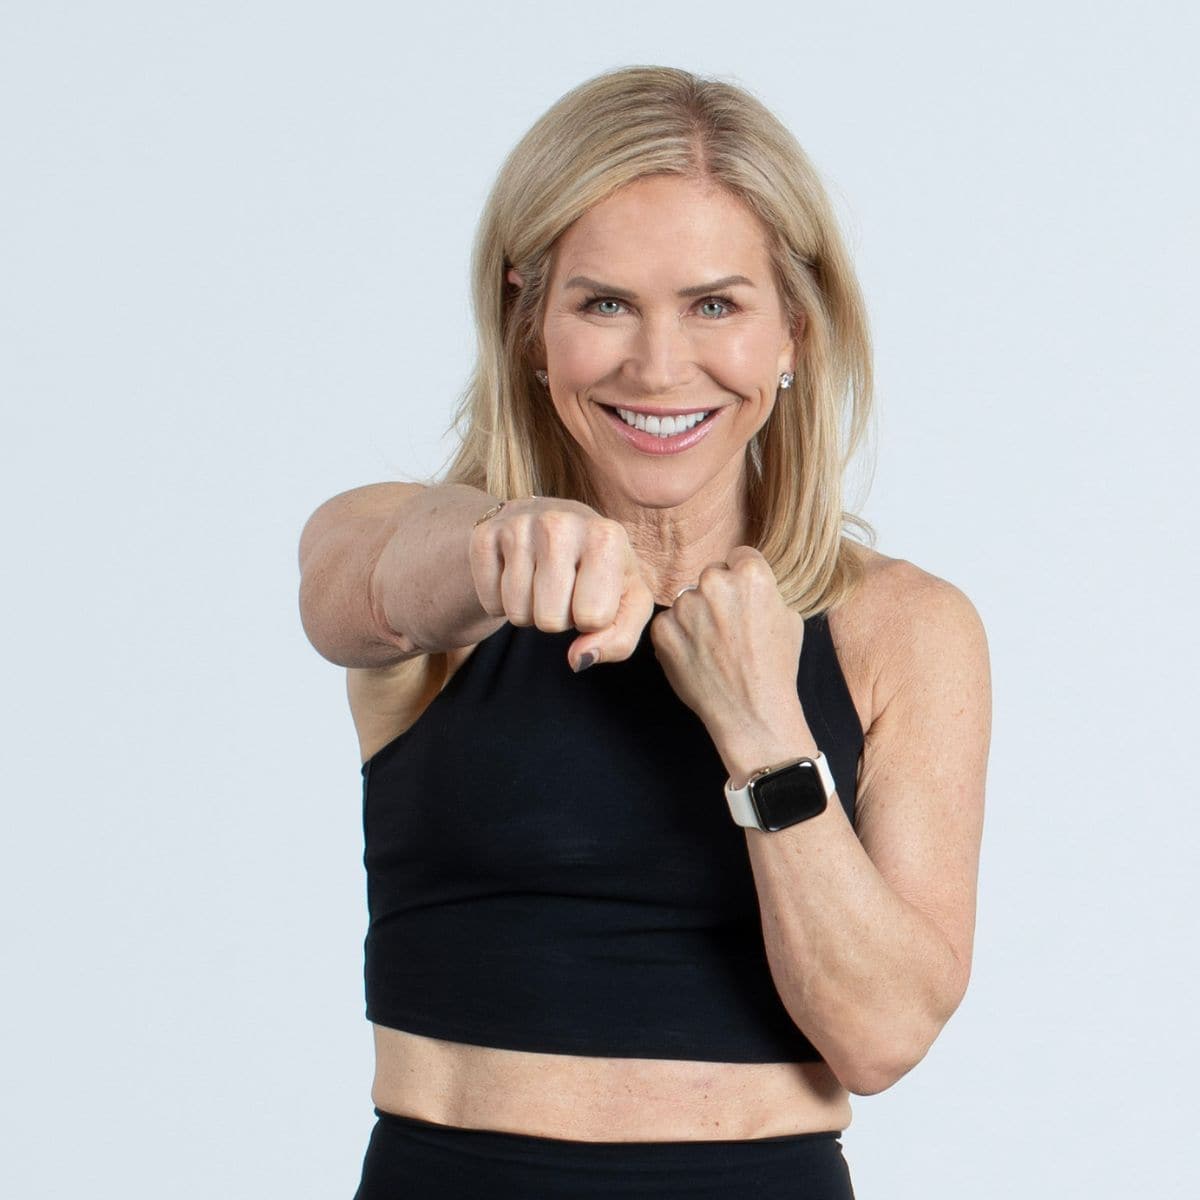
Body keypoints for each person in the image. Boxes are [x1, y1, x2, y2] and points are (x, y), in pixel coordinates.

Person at [298, 65, 991, 1200]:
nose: (659, 367)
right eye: (604, 304)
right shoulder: (426, 557)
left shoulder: (904, 627)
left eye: (715, 305)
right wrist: (502, 545)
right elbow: (348, 595)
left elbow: (881, 1037)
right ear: (530, 323)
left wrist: (763, 730)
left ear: (794, 330)